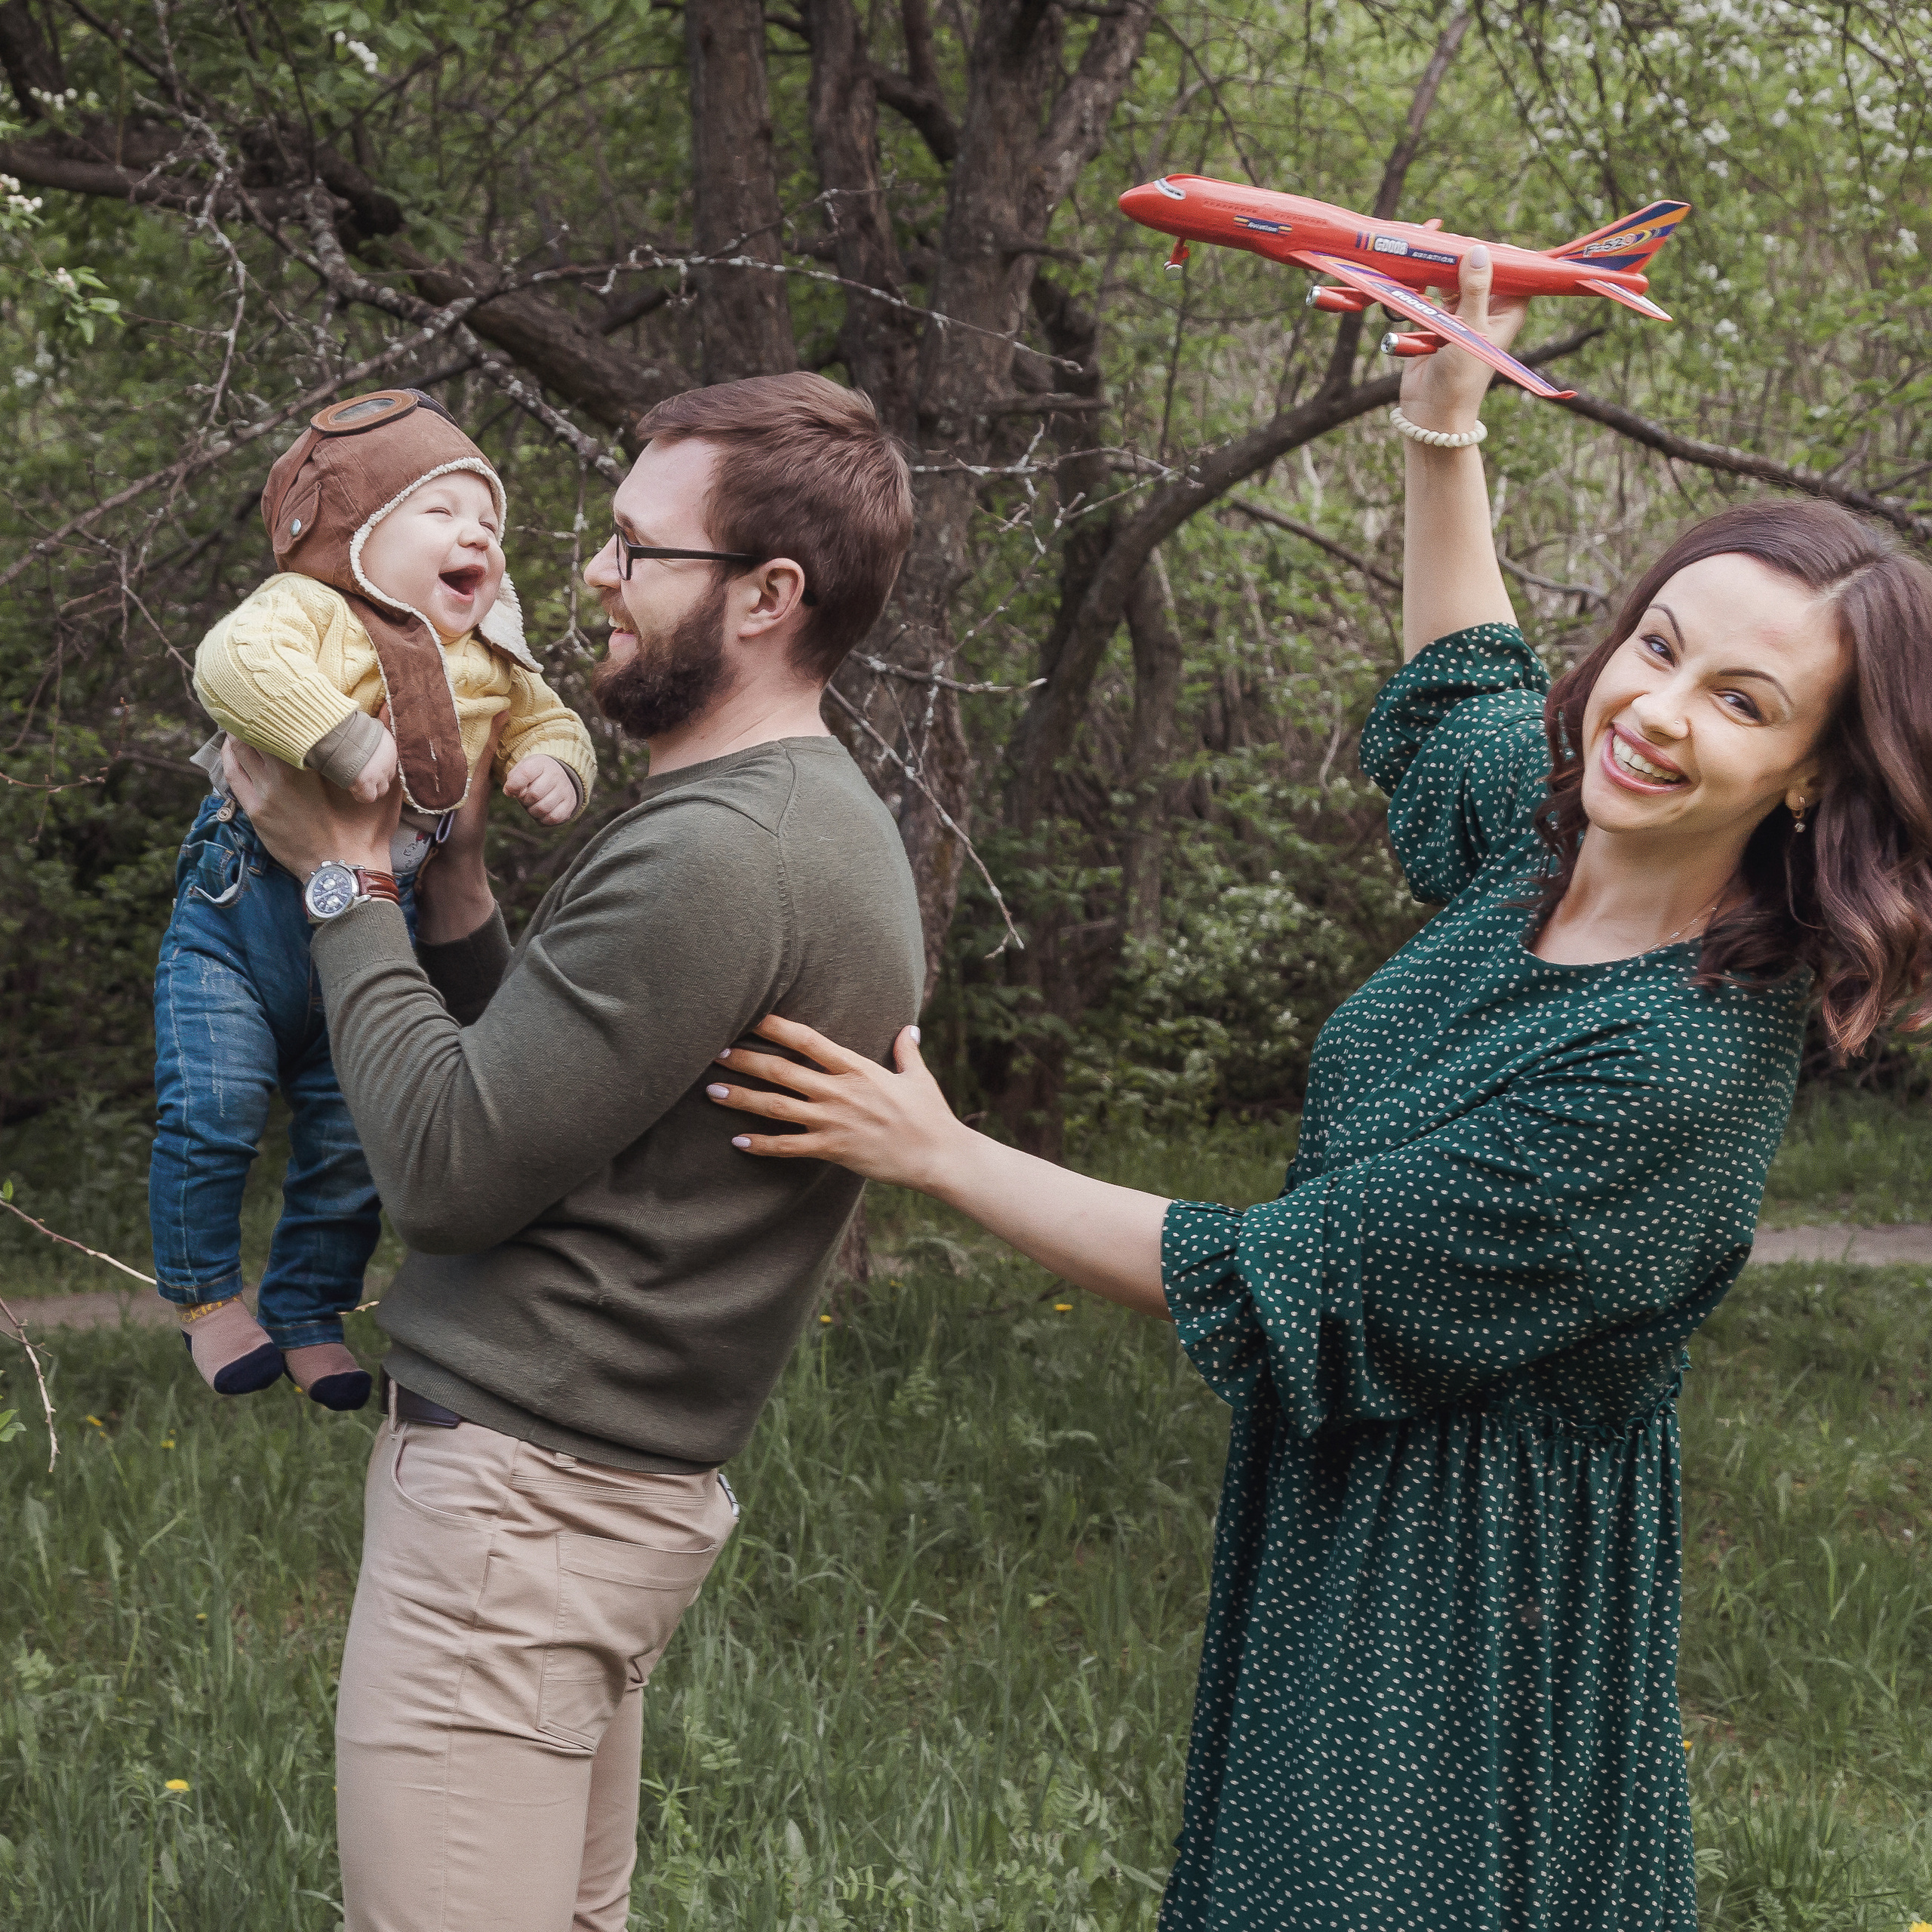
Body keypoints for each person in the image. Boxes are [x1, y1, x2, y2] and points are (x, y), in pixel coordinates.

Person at [703, 254, 1932, 1928]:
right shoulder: (1556, 843)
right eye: (1655, 644)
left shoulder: (1669, 1064)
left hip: (1459, 1605)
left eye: (1740, 700)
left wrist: (938, 1151)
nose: (1652, 710)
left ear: (1808, 777)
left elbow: (1289, 1277)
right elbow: (1465, 703)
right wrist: (1441, 434)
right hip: (1342, 1525)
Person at [222, 371, 925, 1932]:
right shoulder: (803, 819)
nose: (590, 577)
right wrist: (457, 886)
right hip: (599, 1499)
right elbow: (566, 1088)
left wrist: (346, 883)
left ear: (765, 595)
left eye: (632, 547)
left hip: (519, 1519)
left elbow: (451, 1165)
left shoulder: (714, 853)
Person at [152, 388, 595, 1411]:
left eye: (488, 520)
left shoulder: (491, 653)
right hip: (241, 913)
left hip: (374, 916)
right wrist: (343, 738)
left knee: (355, 1140)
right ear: (354, 535)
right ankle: (208, 1300)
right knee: (212, 1110)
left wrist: (558, 770)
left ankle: (309, 1310)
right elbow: (234, 664)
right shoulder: (310, 608)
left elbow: (554, 720)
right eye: (441, 513)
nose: (475, 533)